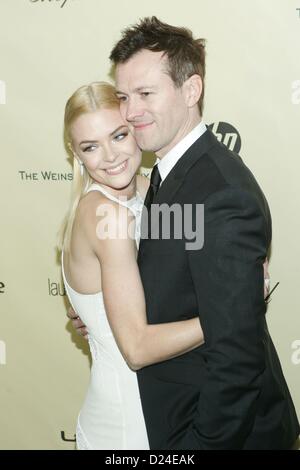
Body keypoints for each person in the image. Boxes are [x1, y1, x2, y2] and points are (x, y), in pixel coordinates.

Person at [108, 16, 299, 449]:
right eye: (123, 96)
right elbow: (169, 282)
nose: (130, 111)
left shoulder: (221, 195)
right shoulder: (168, 174)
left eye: (145, 94)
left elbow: (236, 359)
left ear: (191, 91)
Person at [60, 81, 205, 450]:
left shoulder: (146, 190)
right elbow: (137, 349)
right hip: (127, 425)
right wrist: (230, 314)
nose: (110, 156)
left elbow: (200, 248)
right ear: (75, 154)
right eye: (91, 147)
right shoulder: (105, 213)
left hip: (161, 409)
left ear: (135, 128)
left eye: (118, 135)